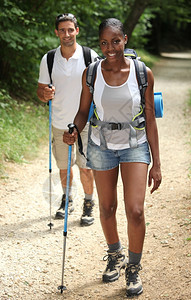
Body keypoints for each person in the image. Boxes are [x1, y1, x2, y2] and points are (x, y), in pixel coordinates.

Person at [63, 18, 162, 297]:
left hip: (135, 144)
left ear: (125, 39)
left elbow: (151, 119)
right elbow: (83, 112)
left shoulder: (143, 73)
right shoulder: (91, 73)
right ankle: (114, 254)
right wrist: (74, 128)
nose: (110, 48)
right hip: (102, 145)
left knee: (136, 210)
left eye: (115, 41)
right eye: (104, 43)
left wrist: (157, 163)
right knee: (106, 208)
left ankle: (133, 266)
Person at [37, 13, 99, 226]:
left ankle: (89, 203)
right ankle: (67, 199)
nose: (66, 34)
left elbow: (100, 89)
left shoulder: (90, 56)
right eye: (62, 30)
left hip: (86, 123)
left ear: (77, 31)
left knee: (86, 167)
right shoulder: (49, 59)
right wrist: (44, 94)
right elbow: (40, 90)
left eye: (70, 29)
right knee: (64, 167)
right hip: (59, 122)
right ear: (56, 33)